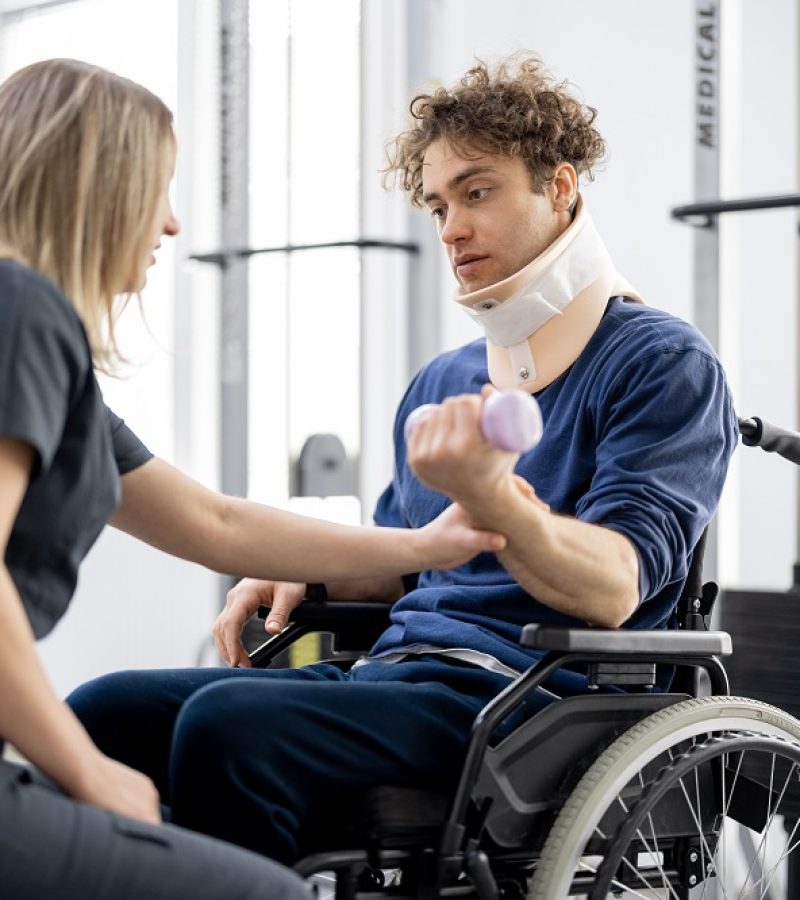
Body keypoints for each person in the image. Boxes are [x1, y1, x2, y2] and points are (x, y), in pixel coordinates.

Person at [68, 55, 738, 866]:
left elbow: (611, 590)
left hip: (532, 701)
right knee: (102, 713)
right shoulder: (447, 381)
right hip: (398, 673)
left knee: (226, 729)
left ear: (561, 187)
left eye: (478, 192)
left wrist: (495, 498)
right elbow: (402, 560)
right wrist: (308, 576)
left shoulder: (662, 363)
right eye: (438, 203)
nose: (451, 226)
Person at [0, 57, 508, 900]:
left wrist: (427, 542)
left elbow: (216, 523)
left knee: (130, 719)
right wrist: (84, 770)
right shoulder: (24, 314)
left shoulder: (42, 349)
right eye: (156, 190)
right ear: (98, 187)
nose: (168, 226)